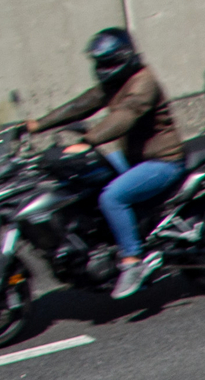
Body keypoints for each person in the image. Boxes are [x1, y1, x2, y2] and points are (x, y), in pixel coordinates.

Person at [30, 28, 182, 299]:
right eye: (99, 63)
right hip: (133, 158)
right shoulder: (115, 83)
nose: (103, 68)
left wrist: (89, 139)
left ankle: (133, 262)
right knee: (79, 181)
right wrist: (38, 125)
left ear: (124, 58)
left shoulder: (142, 82)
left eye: (108, 62)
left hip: (163, 161)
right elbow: (83, 104)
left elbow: (125, 115)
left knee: (112, 197)